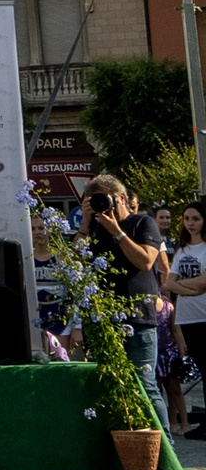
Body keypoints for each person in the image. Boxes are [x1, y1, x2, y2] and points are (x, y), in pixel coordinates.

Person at [84, 176, 167, 388]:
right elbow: (76, 262)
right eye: (95, 200)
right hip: (105, 320)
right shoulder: (95, 228)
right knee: (109, 386)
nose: (102, 205)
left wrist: (117, 232)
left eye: (104, 198)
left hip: (138, 319)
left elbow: (146, 261)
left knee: (144, 386)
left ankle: (155, 415)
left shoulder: (143, 223)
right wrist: (85, 223)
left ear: (121, 198)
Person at [166, 204, 206, 439]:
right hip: (187, 316)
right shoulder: (181, 249)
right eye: (187, 218)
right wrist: (190, 288)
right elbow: (169, 283)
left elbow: (203, 283)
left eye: (196, 219)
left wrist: (181, 286)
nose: (190, 223)